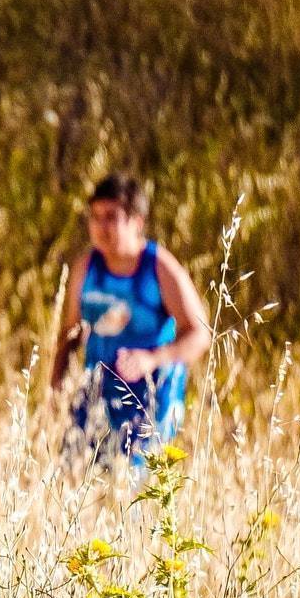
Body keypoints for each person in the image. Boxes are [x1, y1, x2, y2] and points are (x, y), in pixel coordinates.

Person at [49, 173, 210, 465]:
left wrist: (152, 359)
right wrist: (55, 387)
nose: (101, 227)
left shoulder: (159, 268)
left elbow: (200, 335)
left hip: (151, 398)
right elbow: (70, 333)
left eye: (112, 216)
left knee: (131, 489)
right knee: (73, 473)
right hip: (97, 390)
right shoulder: (87, 268)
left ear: (137, 221)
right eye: (95, 216)